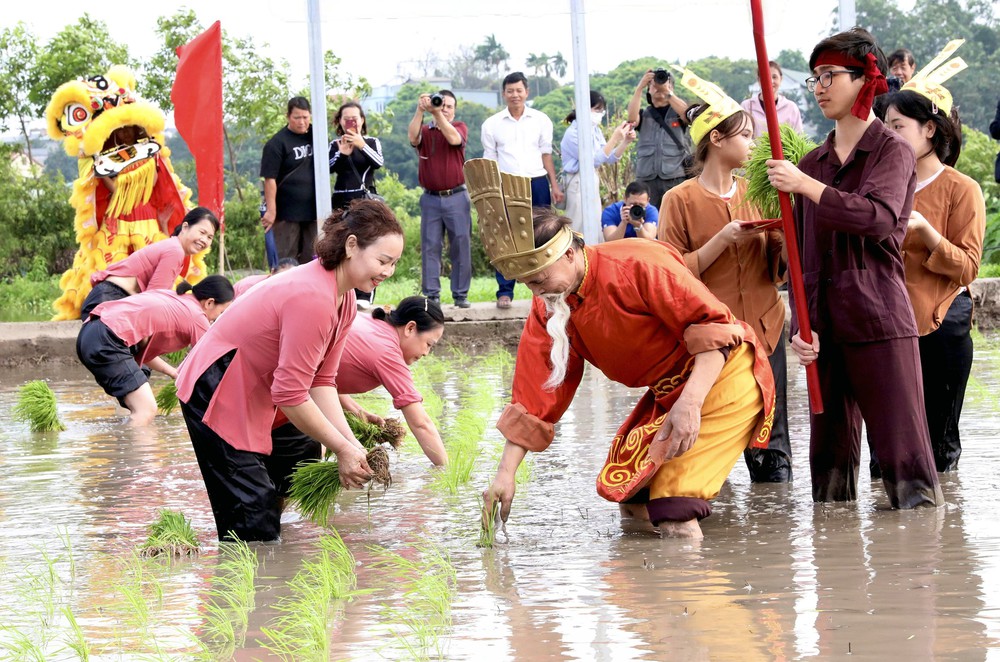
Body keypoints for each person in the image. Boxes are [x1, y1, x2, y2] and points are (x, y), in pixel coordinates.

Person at [466, 158, 776, 540]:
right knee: (632, 502)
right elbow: (536, 394)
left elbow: (717, 332)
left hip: (722, 376)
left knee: (674, 513)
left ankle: (695, 595)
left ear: (568, 254)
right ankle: (656, 594)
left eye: (540, 279)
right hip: (668, 393)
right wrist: (505, 474)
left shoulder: (637, 262)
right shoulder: (551, 303)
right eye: (527, 284)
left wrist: (690, 404)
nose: (537, 292)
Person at [765, 27, 942, 508]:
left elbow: (880, 219)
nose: (819, 86)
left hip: (879, 320)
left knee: (908, 470)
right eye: (814, 77)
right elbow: (803, 257)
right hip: (825, 330)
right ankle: (835, 578)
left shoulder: (892, 150)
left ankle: (919, 573)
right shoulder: (812, 163)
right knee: (829, 472)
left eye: (830, 75)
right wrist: (802, 326)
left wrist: (807, 187)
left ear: (864, 79)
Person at [176, 199, 404, 542]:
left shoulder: (345, 299)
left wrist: (351, 444)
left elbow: (322, 381)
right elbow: (291, 394)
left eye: (394, 264)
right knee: (254, 519)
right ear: (352, 245)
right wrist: (341, 450)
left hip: (259, 382)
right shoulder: (313, 296)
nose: (387, 272)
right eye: (383, 261)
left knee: (294, 469)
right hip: (217, 383)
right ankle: (249, 570)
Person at [659, 68, 791, 483]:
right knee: (706, 446)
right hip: (713, 341)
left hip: (767, 331)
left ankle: (774, 532)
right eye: (746, 135)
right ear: (716, 139)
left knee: (773, 451)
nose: (753, 144)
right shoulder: (678, 200)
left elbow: (779, 271)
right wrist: (722, 240)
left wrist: (788, 233)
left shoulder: (759, 191)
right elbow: (671, 276)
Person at [883, 70, 985, 472]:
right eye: (885, 127)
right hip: (887, 322)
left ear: (929, 129)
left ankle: (942, 532)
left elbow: (968, 267)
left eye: (897, 127)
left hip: (942, 322)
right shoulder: (881, 185)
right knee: (886, 444)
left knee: (940, 445)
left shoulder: (962, 189)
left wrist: (926, 231)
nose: (888, 135)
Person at [77, 275, 234, 426]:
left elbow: (141, 352)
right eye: (221, 312)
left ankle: (123, 447)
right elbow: (213, 366)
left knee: (135, 408)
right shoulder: (197, 317)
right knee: (146, 410)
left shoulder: (173, 297)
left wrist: (174, 373)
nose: (216, 319)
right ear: (209, 303)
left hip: (90, 334)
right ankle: (136, 453)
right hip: (108, 339)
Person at [481, 72, 564, 309]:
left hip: (537, 182)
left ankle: (547, 289)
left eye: (519, 90)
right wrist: (491, 193)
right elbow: (490, 161)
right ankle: (505, 291)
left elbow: (546, 154)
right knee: (506, 237)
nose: (515, 95)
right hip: (505, 184)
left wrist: (554, 186)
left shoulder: (541, 120)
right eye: (510, 91)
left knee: (543, 234)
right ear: (504, 93)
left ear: (526, 92)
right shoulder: (492, 124)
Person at [337, 296, 449, 466]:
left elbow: (326, 378)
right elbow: (421, 424)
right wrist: (446, 471)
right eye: (428, 344)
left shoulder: (375, 325)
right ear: (410, 328)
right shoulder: (387, 353)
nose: (427, 353)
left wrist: (356, 410)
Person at [81, 206, 219, 320]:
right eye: (202, 232)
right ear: (185, 227)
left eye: (209, 237)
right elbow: (153, 300)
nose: (204, 240)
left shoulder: (174, 247)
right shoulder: (175, 251)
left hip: (108, 298)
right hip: (109, 299)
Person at [408, 90, 473, 309]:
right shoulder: (426, 131)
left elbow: (454, 139)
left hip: (456, 196)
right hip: (430, 198)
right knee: (430, 246)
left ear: (454, 110)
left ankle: (460, 294)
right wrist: (420, 110)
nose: (444, 109)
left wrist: (437, 115)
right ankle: (431, 295)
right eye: (440, 104)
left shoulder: (459, 127)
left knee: (461, 245)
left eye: (448, 106)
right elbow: (412, 137)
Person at [330, 101, 385, 309]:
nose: (351, 122)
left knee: (368, 245)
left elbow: (378, 162)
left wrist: (361, 144)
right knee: (342, 247)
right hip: (340, 201)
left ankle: (365, 295)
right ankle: (344, 294)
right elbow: (326, 168)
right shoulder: (335, 145)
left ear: (362, 120)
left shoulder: (371, 142)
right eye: (346, 119)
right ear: (340, 122)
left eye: (355, 118)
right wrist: (341, 153)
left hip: (364, 200)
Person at [560, 90, 635, 235]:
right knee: (577, 225)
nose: (599, 114)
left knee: (594, 225)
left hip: (592, 179)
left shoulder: (594, 130)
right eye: (596, 110)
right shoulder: (573, 133)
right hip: (577, 180)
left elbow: (609, 157)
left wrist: (624, 142)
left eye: (601, 110)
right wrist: (614, 138)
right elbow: (593, 160)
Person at [260, 97, 318, 265]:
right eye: (297, 117)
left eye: (305, 117)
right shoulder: (277, 144)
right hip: (286, 213)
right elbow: (269, 179)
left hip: (313, 212)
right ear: (288, 116)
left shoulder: (317, 135)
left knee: (313, 257)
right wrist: (271, 211)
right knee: (286, 260)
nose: (302, 122)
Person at [627, 68, 692, 209]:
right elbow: (632, 119)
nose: (657, 86)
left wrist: (667, 92)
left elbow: (688, 115)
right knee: (649, 220)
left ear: (671, 87)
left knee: (676, 218)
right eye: (653, 84)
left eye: (661, 82)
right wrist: (639, 88)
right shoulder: (644, 114)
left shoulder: (677, 112)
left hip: (675, 176)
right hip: (647, 179)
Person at [740, 60, 804, 139]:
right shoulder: (747, 106)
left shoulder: (791, 108)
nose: (770, 81)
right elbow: (741, 136)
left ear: (781, 79)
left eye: (774, 77)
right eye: (765, 76)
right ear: (759, 80)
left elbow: (799, 137)